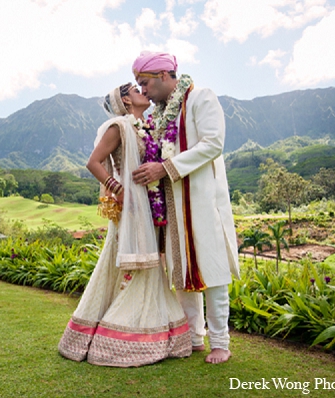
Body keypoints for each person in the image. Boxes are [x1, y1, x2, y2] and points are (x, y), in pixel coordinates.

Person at [57, 83, 192, 367]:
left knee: (151, 264)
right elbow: (93, 162)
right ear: (126, 102)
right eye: (134, 89)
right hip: (130, 210)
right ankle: (119, 336)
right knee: (128, 263)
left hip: (149, 208)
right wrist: (118, 189)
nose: (142, 89)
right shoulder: (118, 126)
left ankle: (151, 327)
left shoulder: (145, 127)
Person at [130, 51, 240, 364]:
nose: (144, 91)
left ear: (164, 76)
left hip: (202, 201)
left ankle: (220, 342)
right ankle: (193, 337)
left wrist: (165, 168)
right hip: (173, 205)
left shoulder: (201, 98)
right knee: (181, 270)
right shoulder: (159, 116)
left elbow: (213, 143)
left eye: (145, 83)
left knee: (213, 269)